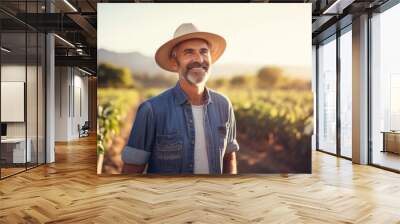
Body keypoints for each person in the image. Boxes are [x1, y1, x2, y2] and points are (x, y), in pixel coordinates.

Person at [121, 23, 239, 174]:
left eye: (204, 52)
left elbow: (229, 158)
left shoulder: (224, 105)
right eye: (189, 52)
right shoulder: (151, 111)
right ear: (174, 62)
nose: (198, 59)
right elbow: (132, 170)